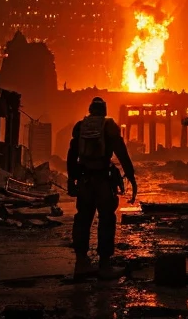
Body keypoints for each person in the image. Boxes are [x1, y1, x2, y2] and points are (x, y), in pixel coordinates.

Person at [67, 96, 136, 279]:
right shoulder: (109, 127)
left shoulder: (80, 127)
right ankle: (104, 266)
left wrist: (71, 180)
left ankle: (81, 264)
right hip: (104, 182)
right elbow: (121, 152)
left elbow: (72, 155)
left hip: (85, 182)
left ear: (90, 110)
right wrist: (131, 175)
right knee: (106, 220)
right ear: (104, 111)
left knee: (82, 220)